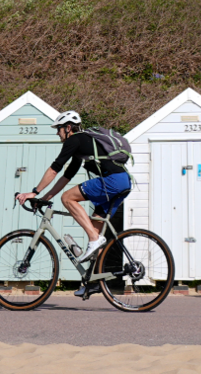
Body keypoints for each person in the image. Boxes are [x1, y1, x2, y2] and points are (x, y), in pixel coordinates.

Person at [15, 111, 130, 267]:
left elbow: (54, 169)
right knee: (94, 229)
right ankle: (95, 281)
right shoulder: (82, 144)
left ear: (68, 128)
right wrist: (45, 198)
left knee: (67, 197)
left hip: (112, 181)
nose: (57, 133)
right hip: (124, 182)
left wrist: (34, 192)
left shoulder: (74, 139)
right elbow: (66, 176)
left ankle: (94, 240)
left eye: (59, 129)